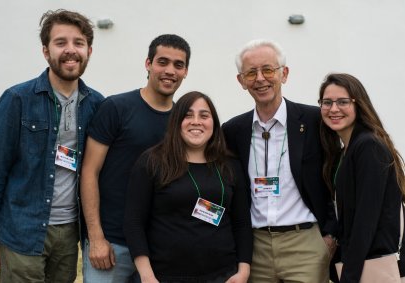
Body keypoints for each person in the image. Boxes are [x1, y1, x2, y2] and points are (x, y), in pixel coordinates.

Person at [0, 9, 103, 282]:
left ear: (89, 51)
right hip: (22, 229)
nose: (71, 50)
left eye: (78, 43)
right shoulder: (17, 99)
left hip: (69, 232)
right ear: (46, 51)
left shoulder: (97, 105)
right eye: (61, 43)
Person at [222, 39, 338, 282]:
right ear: (241, 81)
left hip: (306, 244)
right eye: (251, 72)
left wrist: (331, 233)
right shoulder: (233, 130)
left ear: (284, 74)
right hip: (256, 248)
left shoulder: (315, 121)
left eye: (268, 69)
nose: (260, 78)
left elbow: (335, 175)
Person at [80, 34, 191, 282]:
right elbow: (89, 171)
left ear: (185, 72)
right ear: (148, 64)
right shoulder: (116, 108)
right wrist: (96, 237)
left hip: (157, 249)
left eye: (178, 65)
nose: (170, 71)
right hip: (111, 245)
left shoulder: (183, 123)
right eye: (162, 62)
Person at [124, 91, 253, 283]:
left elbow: (242, 223)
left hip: (223, 276)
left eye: (204, 115)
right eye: (188, 115)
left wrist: (243, 271)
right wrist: (147, 275)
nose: (196, 121)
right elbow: (133, 222)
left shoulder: (230, 165)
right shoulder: (152, 162)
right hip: (163, 276)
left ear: (214, 123)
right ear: (176, 121)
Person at [318, 73, 405, 282]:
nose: (334, 109)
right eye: (327, 102)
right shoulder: (345, 151)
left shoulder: (368, 146)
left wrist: (350, 275)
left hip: (375, 263)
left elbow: (366, 219)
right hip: (360, 262)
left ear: (359, 104)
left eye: (343, 102)